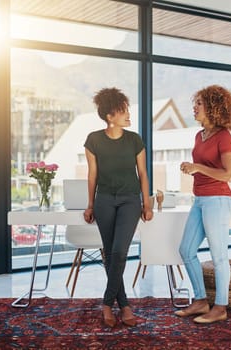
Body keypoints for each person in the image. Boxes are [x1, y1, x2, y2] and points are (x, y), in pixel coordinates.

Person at [83, 87, 153, 328]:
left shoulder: (134, 139)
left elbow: (143, 173)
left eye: (127, 109)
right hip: (103, 200)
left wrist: (147, 202)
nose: (127, 114)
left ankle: (106, 303)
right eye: (122, 111)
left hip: (130, 200)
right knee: (111, 254)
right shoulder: (93, 140)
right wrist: (90, 204)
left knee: (120, 252)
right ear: (109, 116)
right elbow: (92, 174)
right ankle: (124, 305)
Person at [177, 85, 231, 324]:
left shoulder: (224, 136)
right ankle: (201, 301)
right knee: (186, 250)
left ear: (212, 107)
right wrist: (191, 168)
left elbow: (228, 174)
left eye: (199, 103)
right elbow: (202, 167)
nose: (194, 108)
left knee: (219, 256)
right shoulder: (198, 135)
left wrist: (198, 167)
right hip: (200, 199)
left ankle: (220, 307)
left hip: (218, 200)